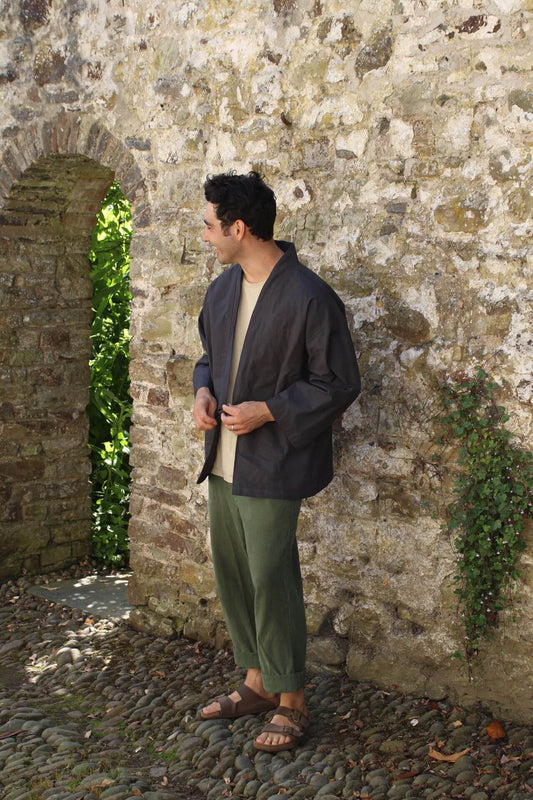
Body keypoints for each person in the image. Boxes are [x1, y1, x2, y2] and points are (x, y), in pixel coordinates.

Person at [192, 171, 360, 752]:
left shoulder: (310, 296)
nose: (205, 236)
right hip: (223, 459)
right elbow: (209, 358)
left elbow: (339, 383)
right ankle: (257, 682)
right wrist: (202, 392)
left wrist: (269, 410)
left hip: (273, 460)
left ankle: (292, 701)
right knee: (235, 572)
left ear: (238, 228)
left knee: (271, 576)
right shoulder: (222, 291)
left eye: (210, 226)